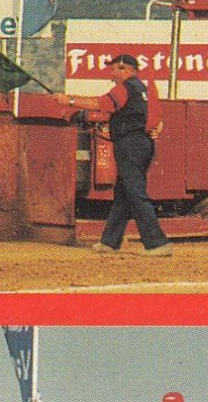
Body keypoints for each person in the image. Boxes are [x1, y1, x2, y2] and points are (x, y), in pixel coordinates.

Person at [56, 54, 172, 256]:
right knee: (124, 194)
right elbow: (154, 117)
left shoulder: (124, 88)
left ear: (124, 69)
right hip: (143, 144)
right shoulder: (142, 88)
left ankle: (157, 243)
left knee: (134, 192)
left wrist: (70, 100)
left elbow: (102, 104)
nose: (111, 74)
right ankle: (109, 242)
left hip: (130, 145)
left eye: (113, 69)